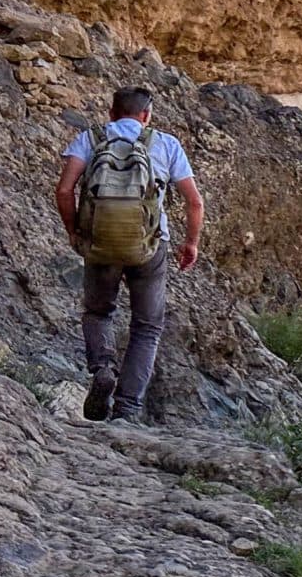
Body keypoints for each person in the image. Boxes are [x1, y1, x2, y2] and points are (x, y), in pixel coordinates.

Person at [55, 88, 203, 423]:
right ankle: (127, 409)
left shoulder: (90, 139)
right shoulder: (165, 144)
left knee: (97, 313)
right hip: (149, 247)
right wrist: (191, 242)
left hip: (100, 243)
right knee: (147, 326)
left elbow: (64, 190)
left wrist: (73, 231)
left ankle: (104, 367)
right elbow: (195, 201)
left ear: (111, 113)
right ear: (147, 115)